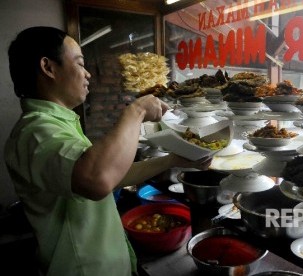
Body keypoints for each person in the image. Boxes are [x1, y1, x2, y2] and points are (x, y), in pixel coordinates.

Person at [4, 26, 212, 276]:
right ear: (48, 68)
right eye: (80, 64)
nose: (88, 74)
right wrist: (136, 111)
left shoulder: (59, 124)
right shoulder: (36, 132)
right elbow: (97, 179)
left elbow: (113, 176)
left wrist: (174, 159)